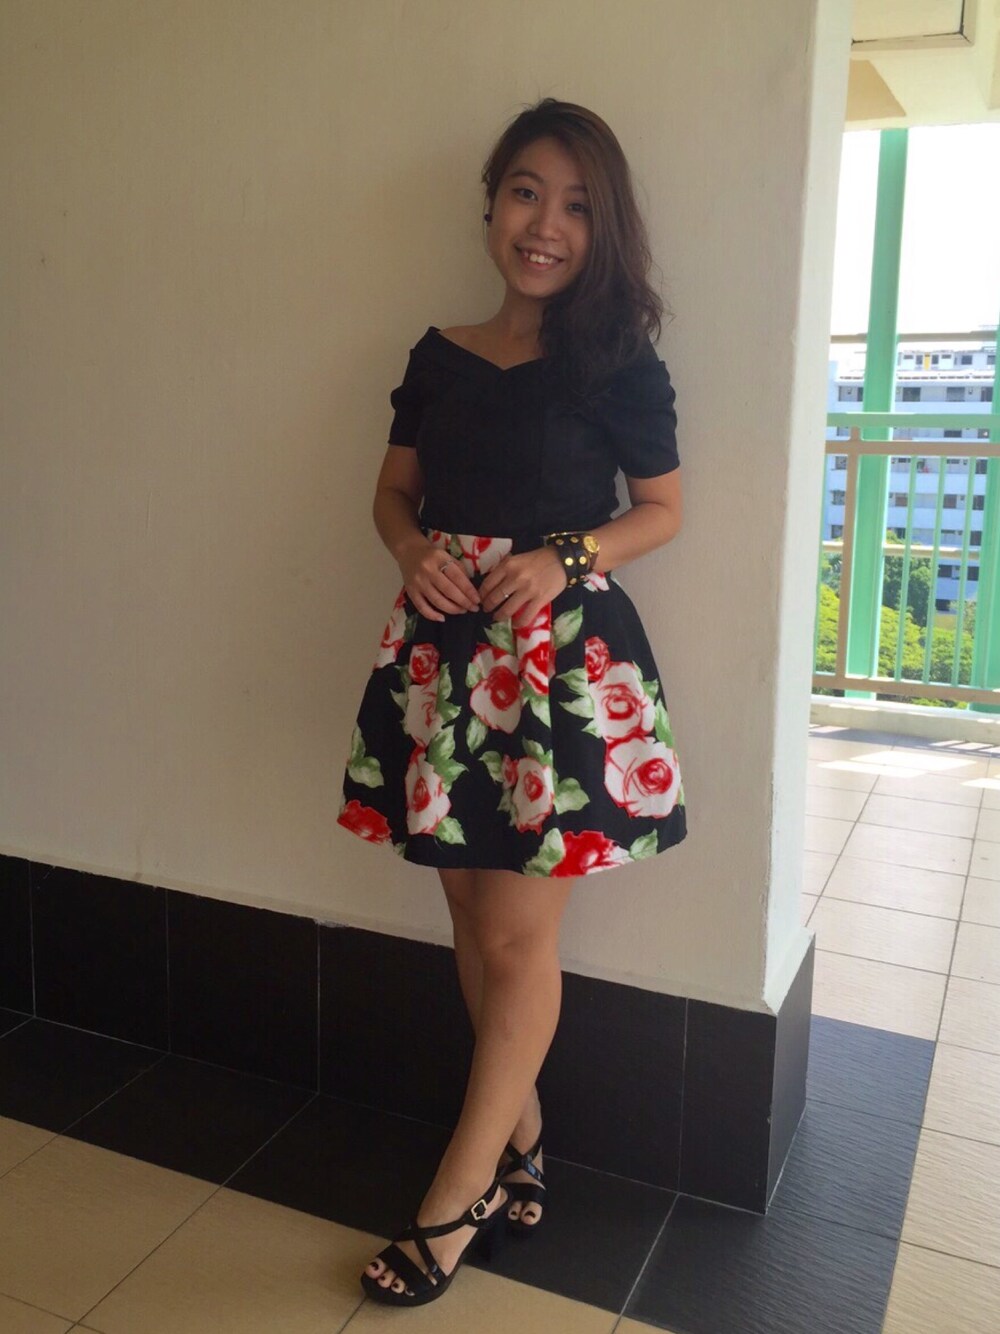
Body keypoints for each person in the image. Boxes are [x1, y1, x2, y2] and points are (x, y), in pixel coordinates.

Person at [337, 97, 687, 1308]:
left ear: (604, 229)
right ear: (492, 202)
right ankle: (519, 1144)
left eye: (577, 205)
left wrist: (564, 556)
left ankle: (454, 1194)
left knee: (515, 937)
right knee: (466, 915)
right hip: (445, 655)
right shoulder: (437, 353)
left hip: (552, 665)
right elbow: (391, 494)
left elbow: (662, 509)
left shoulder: (618, 361)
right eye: (528, 192)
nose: (545, 224)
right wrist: (408, 549)